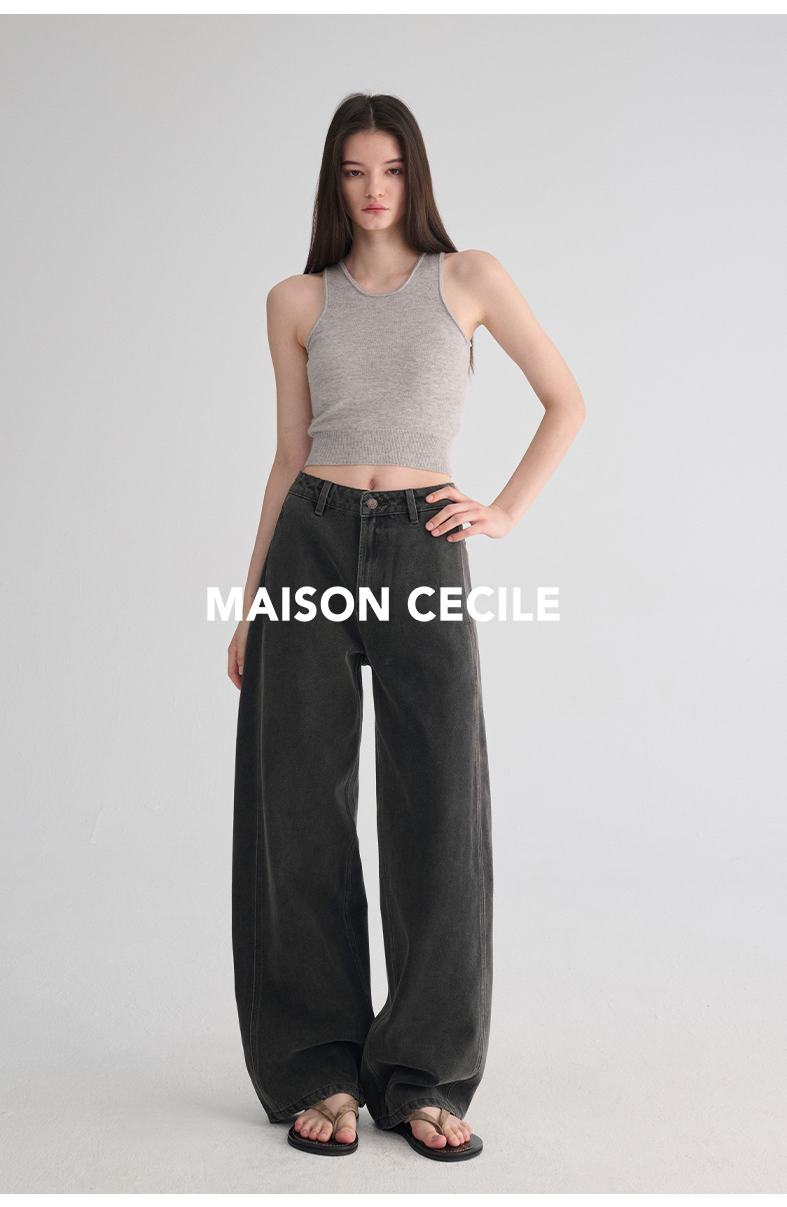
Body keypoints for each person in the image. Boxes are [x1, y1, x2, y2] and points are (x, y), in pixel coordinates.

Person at [228, 92, 585, 1162]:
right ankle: (321, 1068)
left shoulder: (467, 277)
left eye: (389, 169)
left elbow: (564, 399)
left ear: (413, 175)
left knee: (439, 804)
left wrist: (503, 511)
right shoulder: (297, 299)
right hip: (312, 543)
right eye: (353, 171)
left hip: (426, 543)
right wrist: (250, 604)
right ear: (333, 182)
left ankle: (424, 1073)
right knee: (298, 807)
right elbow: (288, 455)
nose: (373, 189)